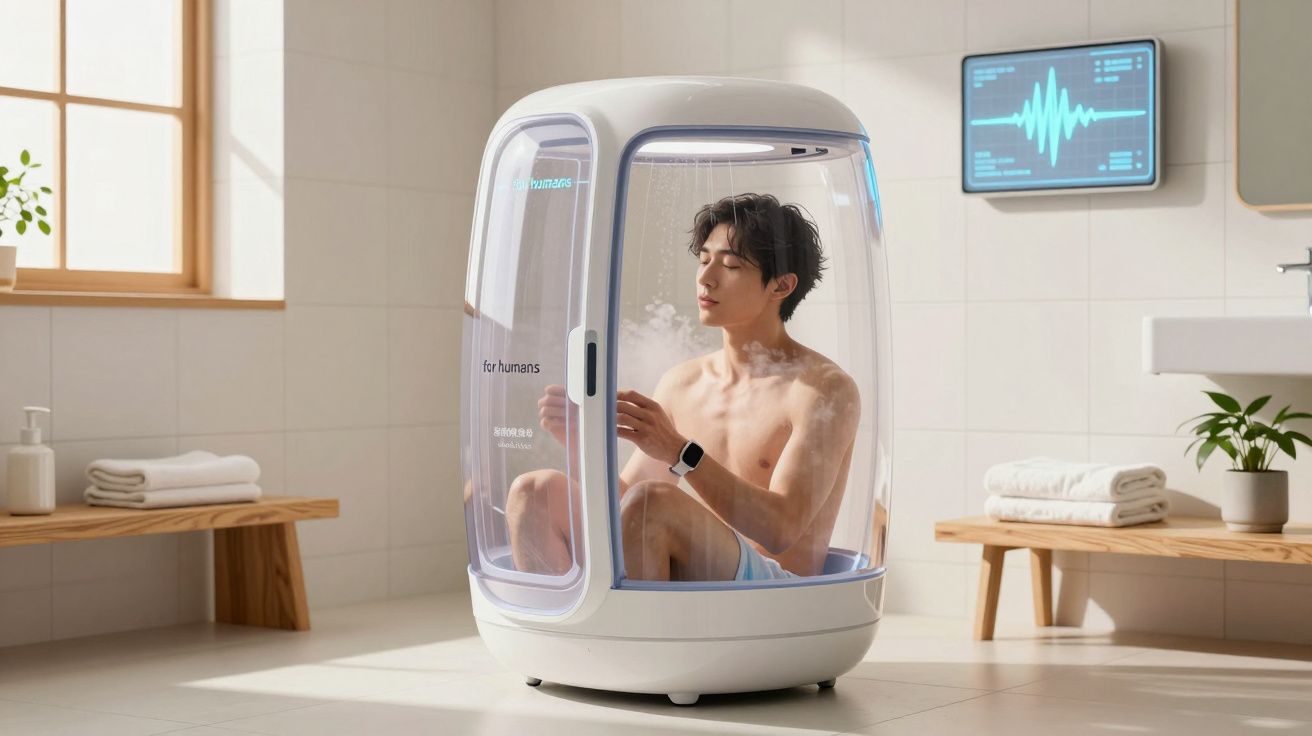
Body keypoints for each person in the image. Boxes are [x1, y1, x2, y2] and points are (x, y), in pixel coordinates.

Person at [508, 193, 860, 582]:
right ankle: (583, 624)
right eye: (704, 260)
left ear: (781, 286)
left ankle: (631, 622)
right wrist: (580, 442)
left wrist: (681, 452)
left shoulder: (823, 390)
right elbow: (628, 504)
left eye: (730, 265)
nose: (706, 278)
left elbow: (781, 531)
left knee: (653, 503)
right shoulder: (683, 383)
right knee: (534, 491)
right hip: (699, 574)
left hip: (779, 590)